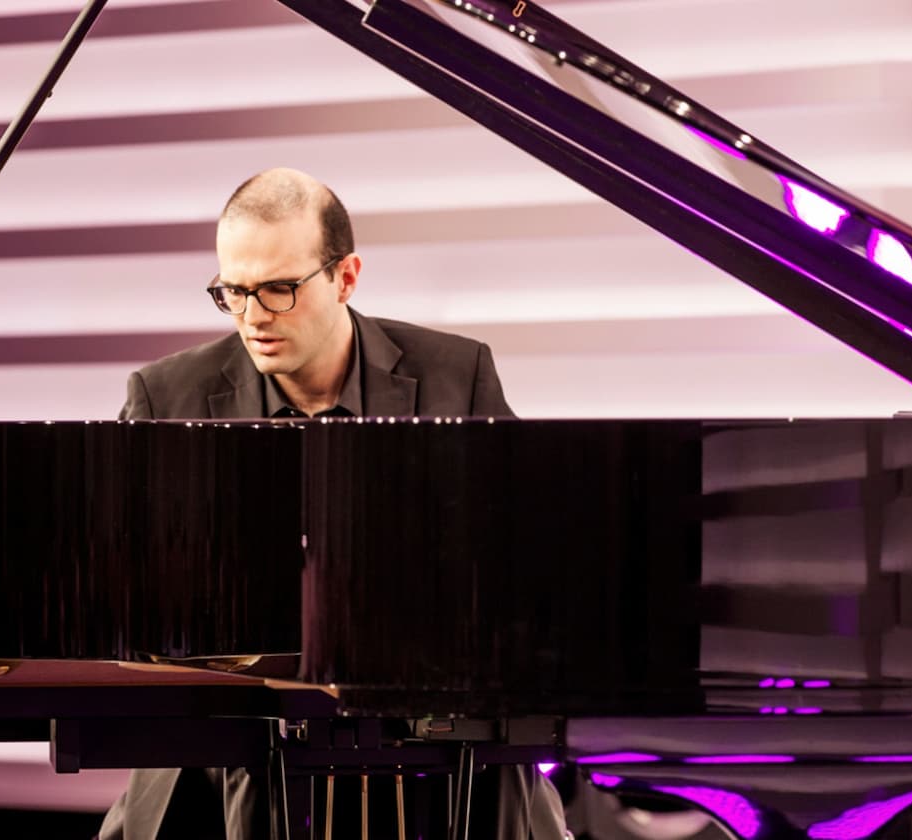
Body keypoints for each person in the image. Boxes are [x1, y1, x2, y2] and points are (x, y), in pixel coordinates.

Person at [102, 168, 565, 839]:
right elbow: (130, 586)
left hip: (435, 726)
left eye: (279, 290)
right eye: (233, 291)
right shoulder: (165, 394)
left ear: (345, 277)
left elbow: (518, 557)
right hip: (229, 729)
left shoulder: (453, 374)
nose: (253, 317)